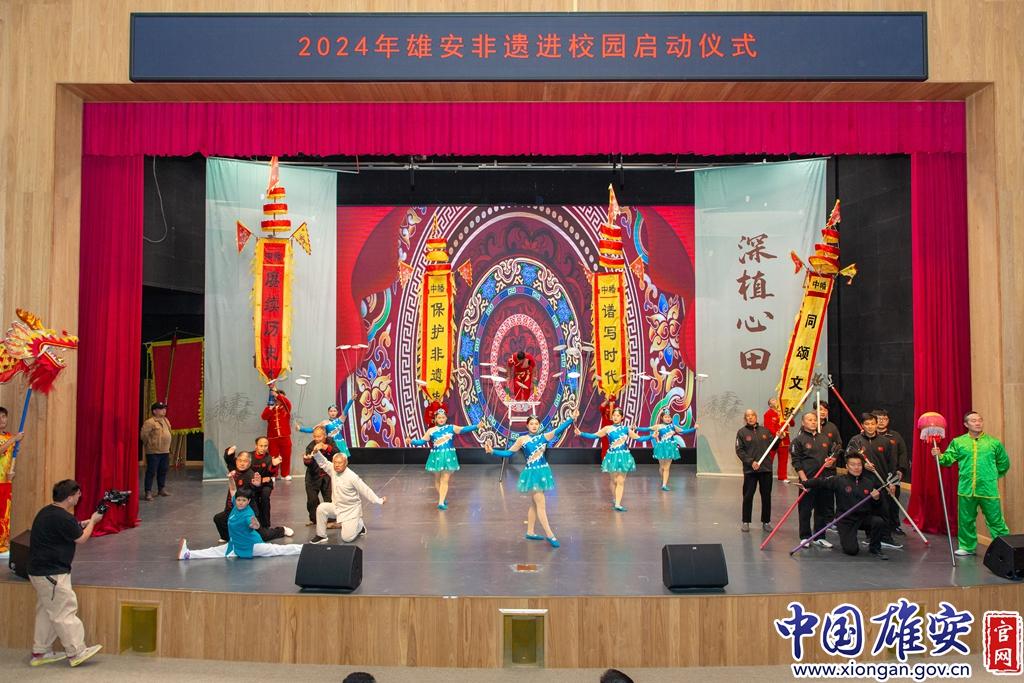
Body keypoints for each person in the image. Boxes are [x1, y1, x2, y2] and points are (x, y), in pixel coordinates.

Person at [27, 479, 104, 667]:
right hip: (52, 573)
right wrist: (93, 521)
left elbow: (67, 529)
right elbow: (81, 538)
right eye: (77, 495)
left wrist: (83, 523)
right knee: (64, 610)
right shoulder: (63, 518)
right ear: (70, 498)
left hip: (38, 571)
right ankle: (76, 651)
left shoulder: (47, 512)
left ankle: (40, 651)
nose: (79, 497)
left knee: (47, 612)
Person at [485, 412, 577, 548]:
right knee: (541, 505)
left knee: (535, 504)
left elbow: (559, 429)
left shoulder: (544, 437)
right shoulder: (522, 439)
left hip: (543, 472)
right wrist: (493, 451)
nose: (534, 426)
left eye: (536, 424)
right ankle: (550, 534)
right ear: (527, 426)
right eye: (531, 424)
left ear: (539, 425)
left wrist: (571, 419)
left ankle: (530, 532)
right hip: (532, 474)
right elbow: (509, 453)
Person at [932, 411, 1011, 556]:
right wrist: (940, 456)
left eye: (980, 420)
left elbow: (1004, 463)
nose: (978, 423)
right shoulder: (958, 442)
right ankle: (967, 546)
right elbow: (948, 460)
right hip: (966, 488)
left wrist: (992, 476)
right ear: (966, 424)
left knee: (996, 521)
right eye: (973, 421)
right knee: (966, 520)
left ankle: (1004, 548)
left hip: (988, 489)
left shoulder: (993, 443)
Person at [802, 452, 890, 560]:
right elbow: (821, 482)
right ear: (847, 466)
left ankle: (875, 548)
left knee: (878, 521)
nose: (856, 467)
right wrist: (805, 483)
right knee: (851, 550)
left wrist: (877, 499)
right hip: (846, 519)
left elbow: (878, 506)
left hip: (863, 517)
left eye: (859, 465)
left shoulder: (869, 482)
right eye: (853, 465)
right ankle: (849, 539)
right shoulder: (839, 480)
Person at [179, 487, 303, 560]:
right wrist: (230, 478)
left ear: (248, 501)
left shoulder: (248, 514)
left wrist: (254, 525)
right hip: (234, 545)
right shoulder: (235, 506)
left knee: (278, 550)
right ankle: (187, 554)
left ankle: (304, 549)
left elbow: (255, 524)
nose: (240, 502)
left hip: (252, 546)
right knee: (213, 551)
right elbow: (233, 489)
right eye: (239, 500)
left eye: (244, 500)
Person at [577, 407, 652, 511]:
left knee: (620, 481)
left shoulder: (626, 429)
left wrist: (652, 436)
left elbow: (639, 438)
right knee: (613, 480)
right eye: (614, 415)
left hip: (624, 456)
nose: (615, 417)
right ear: (612, 417)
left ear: (622, 417)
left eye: (618, 415)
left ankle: (617, 504)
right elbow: (594, 436)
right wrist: (581, 433)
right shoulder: (607, 428)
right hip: (612, 457)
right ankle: (615, 498)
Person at [845, 413, 902, 550]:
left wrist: (892, 482)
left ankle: (886, 537)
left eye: (872, 424)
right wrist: (863, 464)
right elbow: (848, 457)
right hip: (863, 482)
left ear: (876, 425)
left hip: (881, 482)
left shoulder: (885, 442)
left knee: (884, 510)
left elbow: (892, 463)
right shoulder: (856, 441)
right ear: (862, 425)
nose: (870, 427)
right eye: (867, 424)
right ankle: (870, 536)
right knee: (866, 510)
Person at [214, 447, 293, 543]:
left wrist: (257, 485)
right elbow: (229, 460)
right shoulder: (234, 469)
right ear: (236, 461)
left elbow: (253, 491)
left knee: (262, 536)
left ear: (249, 463)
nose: (242, 463)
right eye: (240, 460)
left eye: (245, 461)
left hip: (248, 512)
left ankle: (281, 530)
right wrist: (228, 452)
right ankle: (227, 537)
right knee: (219, 519)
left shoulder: (251, 475)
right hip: (232, 509)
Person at [410, 408, 482, 510]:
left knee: (445, 479)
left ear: (446, 418)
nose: (441, 419)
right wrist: (411, 441)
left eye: (443, 417)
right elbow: (422, 441)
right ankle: (442, 498)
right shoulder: (431, 431)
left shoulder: (451, 428)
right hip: (436, 457)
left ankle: (440, 502)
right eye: (439, 418)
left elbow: (463, 429)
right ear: (436, 419)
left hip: (448, 456)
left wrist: (476, 426)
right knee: (437, 479)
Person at [309, 453, 386, 544]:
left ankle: (360, 526)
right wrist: (316, 453)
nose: (337, 465)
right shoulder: (333, 470)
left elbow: (365, 490)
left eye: (340, 463)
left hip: (350, 511)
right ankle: (321, 535)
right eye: (335, 462)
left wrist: (379, 500)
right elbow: (324, 462)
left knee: (346, 538)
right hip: (337, 507)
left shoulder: (352, 477)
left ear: (346, 463)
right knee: (321, 508)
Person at [790, 411, 838, 548]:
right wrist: (804, 481)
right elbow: (796, 462)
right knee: (805, 510)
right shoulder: (798, 440)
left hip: (823, 480)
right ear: (803, 422)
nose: (813, 422)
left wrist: (831, 461)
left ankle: (819, 537)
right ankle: (805, 537)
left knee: (821, 509)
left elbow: (832, 456)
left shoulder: (825, 439)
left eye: (814, 420)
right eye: (809, 420)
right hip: (808, 480)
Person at [735, 409, 774, 532]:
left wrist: (779, 438)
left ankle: (766, 521)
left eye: (752, 415)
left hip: (765, 469)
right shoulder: (741, 432)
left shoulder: (765, 431)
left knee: (766, 496)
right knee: (748, 496)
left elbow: (773, 446)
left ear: (756, 417)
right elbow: (739, 451)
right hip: (750, 471)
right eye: (748, 416)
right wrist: (751, 462)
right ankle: (746, 521)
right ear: (745, 418)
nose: (750, 417)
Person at [874, 408, 910, 536]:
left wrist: (901, 469)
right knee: (876, 501)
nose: (882, 421)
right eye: (879, 419)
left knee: (893, 501)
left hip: (893, 474)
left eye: (884, 419)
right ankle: (875, 526)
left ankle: (894, 525)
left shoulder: (895, 436)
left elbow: (903, 453)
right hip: (876, 474)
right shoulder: (870, 436)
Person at [647, 408, 695, 491]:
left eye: (669, 417)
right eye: (666, 417)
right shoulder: (658, 426)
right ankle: (663, 480)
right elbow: (647, 429)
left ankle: (664, 485)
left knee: (667, 467)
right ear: (662, 418)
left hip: (670, 448)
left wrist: (694, 428)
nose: (668, 419)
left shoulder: (673, 426)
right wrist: (636, 428)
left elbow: (683, 431)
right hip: (661, 448)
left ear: (671, 418)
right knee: (662, 467)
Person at [302, 426, 340, 526]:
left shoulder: (330, 441)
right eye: (315, 436)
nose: (317, 439)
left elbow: (337, 453)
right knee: (312, 500)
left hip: (327, 475)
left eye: (319, 436)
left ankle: (332, 520)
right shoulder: (311, 446)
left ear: (325, 435)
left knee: (329, 498)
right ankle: (315, 520)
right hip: (313, 476)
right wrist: (307, 460)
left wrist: (325, 447)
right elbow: (308, 463)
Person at [0, 405, 24, 553]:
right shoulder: (10, 438)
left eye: (3, 416)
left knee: (4, 514)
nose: (1, 420)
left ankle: (3, 544)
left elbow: (9, 457)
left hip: (5, 481)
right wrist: (14, 439)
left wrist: (11, 473)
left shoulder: (8, 436)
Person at [139, 401, 172, 501]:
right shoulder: (150, 422)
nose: (164, 410)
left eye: (164, 408)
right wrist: (150, 445)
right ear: (154, 411)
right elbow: (143, 435)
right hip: (153, 452)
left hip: (165, 451)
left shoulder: (166, 420)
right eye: (161, 409)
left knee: (163, 470)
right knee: (151, 471)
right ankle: (148, 491)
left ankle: (161, 489)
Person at [249, 436, 282, 529]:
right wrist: (259, 480)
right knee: (254, 499)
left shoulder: (269, 458)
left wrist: (274, 465)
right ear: (256, 446)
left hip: (266, 485)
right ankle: (257, 522)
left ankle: (266, 524)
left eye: (265, 446)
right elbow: (246, 472)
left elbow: (271, 473)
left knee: (264, 497)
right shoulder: (249, 456)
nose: (263, 448)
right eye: (261, 446)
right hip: (253, 483)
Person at [261, 385, 293, 480]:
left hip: (285, 436)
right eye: (277, 397)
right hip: (272, 438)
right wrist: (270, 408)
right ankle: (273, 474)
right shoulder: (270, 408)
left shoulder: (286, 408)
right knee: (273, 456)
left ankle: (285, 474)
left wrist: (276, 393)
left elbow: (287, 402)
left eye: (282, 397)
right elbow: (263, 417)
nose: (280, 399)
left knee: (286, 456)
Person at [763, 397, 791, 483]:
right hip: (773, 439)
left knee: (784, 459)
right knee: (769, 459)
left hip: (784, 439)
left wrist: (789, 414)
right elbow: (768, 427)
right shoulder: (768, 414)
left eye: (776, 400)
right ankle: (766, 475)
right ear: (770, 404)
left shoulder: (783, 412)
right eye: (773, 400)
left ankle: (783, 477)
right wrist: (777, 434)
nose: (776, 401)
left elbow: (792, 423)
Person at [598, 395, 617, 460]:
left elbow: (622, 418)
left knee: (614, 446)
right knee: (605, 446)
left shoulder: (617, 408)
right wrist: (607, 401)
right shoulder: (605, 407)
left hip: (614, 430)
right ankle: (605, 461)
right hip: (605, 430)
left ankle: (614, 461)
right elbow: (600, 408)